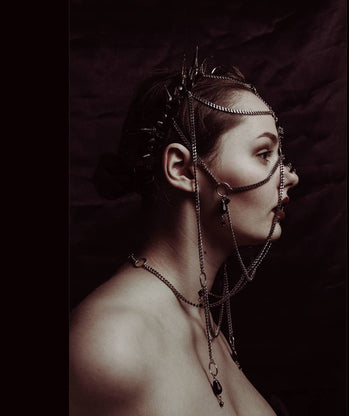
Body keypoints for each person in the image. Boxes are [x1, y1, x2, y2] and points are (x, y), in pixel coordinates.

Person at [69, 49, 299, 416]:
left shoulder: (205, 320)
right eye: (263, 153)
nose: (291, 176)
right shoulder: (111, 342)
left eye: (280, 156)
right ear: (183, 169)